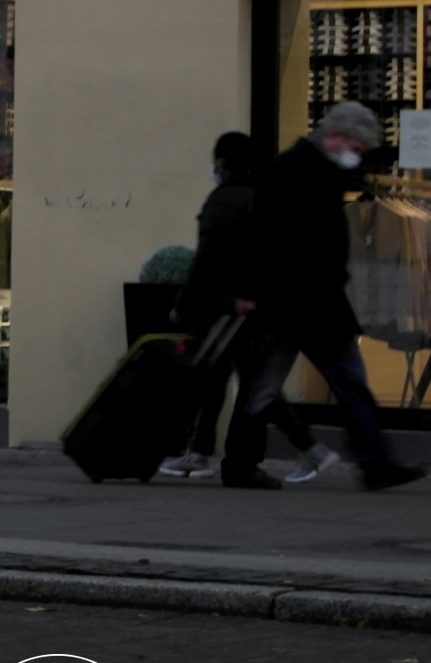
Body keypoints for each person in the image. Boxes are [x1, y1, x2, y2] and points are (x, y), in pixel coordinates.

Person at [235, 102, 426, 491]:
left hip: (303, 304)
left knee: (282, 385)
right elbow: (275, 240)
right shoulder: (296, 171)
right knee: (270, 386)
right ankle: (243, 462)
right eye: (356, 147)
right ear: (335, 137)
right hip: (299, 302)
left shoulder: (308, 168)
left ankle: (374, 461)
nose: (356, 156)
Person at [168, 132, 313, 488]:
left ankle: (231, 459)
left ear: (221, 163)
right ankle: (239, 461)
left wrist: (183, 305)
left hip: (225, 309)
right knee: (248, 385)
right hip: (257, 308)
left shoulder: (225, 201)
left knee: (236, 382)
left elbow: (205, 260)